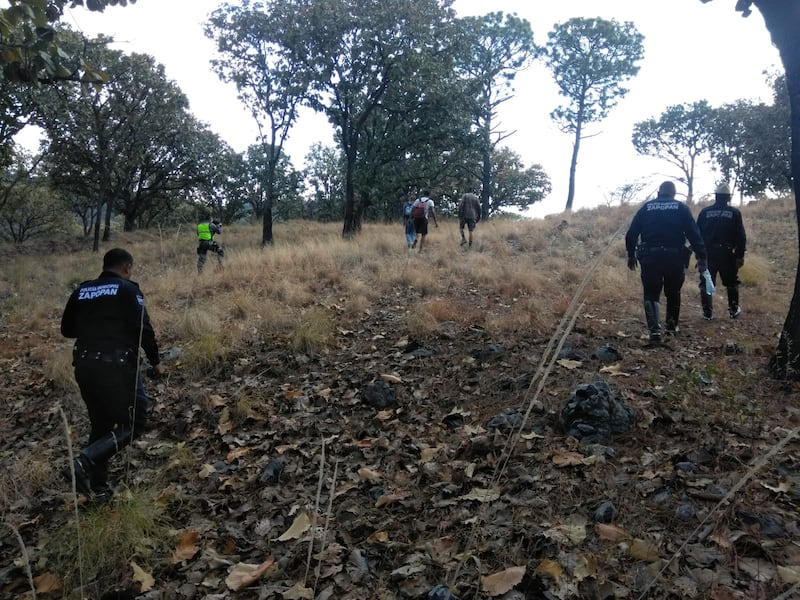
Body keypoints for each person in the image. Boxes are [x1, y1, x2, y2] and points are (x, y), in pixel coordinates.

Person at [61, 248, 165, 502]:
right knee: (135, 422)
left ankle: (99, 487)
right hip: (116, 365)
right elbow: (143, 329)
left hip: (84, 364)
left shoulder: (82, 290)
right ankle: (83, 462)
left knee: (101, 424)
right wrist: (156, 362)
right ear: (127, 267)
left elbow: (67, 330)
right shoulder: (128, 289)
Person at [625, 180, 707, 343]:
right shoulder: (681, 208)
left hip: (650, 257)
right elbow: (694, 233)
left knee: (651, 292)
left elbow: (631, 234)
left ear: (658, 193)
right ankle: (671, 326)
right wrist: (701, 255)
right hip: (674, 257)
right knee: (673, 292)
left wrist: (631, 255)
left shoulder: (646, 208)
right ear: (673, 194)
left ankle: (654, 331)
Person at [696, 182, 747, 319]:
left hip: (708, 254)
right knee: (731, 282)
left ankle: (707, 313)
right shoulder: (734, 213)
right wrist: (739, 256)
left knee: (707, 281)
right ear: (728, 197)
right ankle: (733, 309)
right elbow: (741, 237)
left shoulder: (705, 212)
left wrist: (699, 255)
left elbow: (696, 234)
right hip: (727, 254)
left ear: (716, 196)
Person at [411, 188, 438, 253]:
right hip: (424, 219)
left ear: (423, 194)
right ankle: (420, 250)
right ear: (429, 195)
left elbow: (413, 209)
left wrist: (410, 218)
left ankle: (416, 239)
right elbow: (432, 211)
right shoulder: (430, 201)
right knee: (423, 234)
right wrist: (435, 222)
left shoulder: (418, 200)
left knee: (417, 232)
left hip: (416, 218)